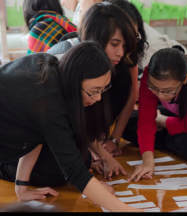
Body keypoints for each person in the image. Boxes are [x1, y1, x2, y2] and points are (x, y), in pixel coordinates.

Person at [0, 41, 140, 211]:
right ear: (75, 82)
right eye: (94, 91)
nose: (98, 99)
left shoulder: (52, 68)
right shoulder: (48, 100)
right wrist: (125, 209)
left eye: (102, 90)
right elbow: (75, 172)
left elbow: (37, 132)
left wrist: (21, 187)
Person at [48, 2, 140, 159]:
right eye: (114, 44)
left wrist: (113, 141)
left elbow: (132, 96)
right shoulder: (64, 57)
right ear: (95, 37)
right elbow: (53, 122)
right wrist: (92, 153)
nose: (120, 52)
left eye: (124, 46)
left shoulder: (121, 60)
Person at [128, 48, 187, 182]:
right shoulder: (149, 75)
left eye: (168, 91)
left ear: (185, 79)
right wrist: (147, 161)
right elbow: (145, 120)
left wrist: (163, 121)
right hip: (179, 116)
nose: (160, 95)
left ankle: (166, 137)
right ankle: (167, 138)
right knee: (131, 121)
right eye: (154, 88)